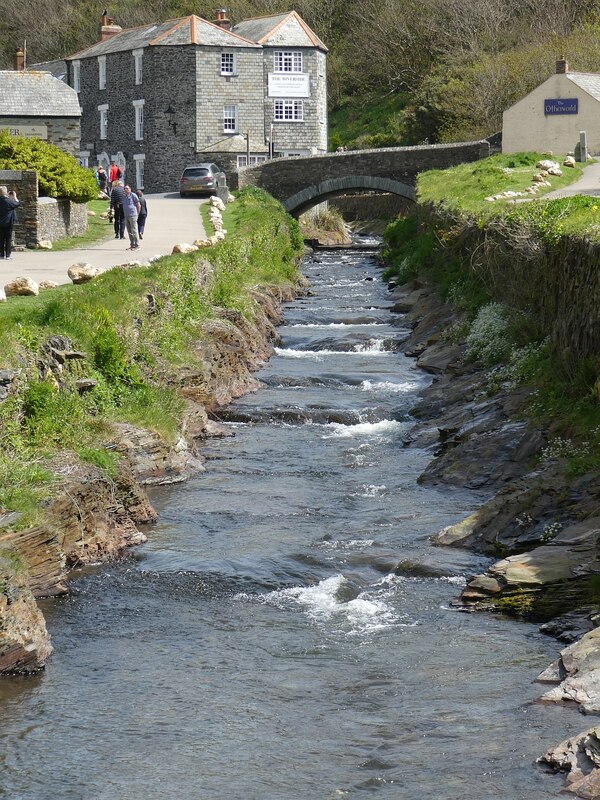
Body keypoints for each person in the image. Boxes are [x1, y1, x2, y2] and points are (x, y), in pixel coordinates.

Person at [0, 185, 19, 259]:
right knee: (8, 238)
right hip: (8, 222)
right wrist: (14, 196)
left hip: (0, 223)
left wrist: (6, 195)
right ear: (5, 192)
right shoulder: (9, 201)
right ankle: (7, 255)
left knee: (1, 238)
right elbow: (17, 203)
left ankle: (1, 254)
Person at [122, 185, 141, 250]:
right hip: (126, 215)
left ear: (130, 189)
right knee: (129, 231)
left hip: (133, 215)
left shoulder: (133, 195)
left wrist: (137, 213)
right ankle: (132, 245)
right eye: (124, 189)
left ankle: (137, 245)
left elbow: (138, 205)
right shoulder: (123, 196)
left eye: (127, 188)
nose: (125, 190)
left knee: (134, 230)